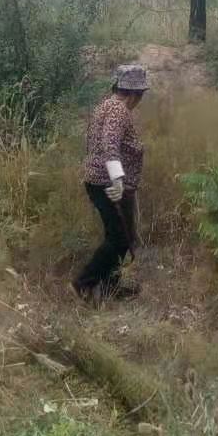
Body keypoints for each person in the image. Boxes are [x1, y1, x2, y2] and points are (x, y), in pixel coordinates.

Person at [74, 63, 148, 301]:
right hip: (109, 185)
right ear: (134, 94)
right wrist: (117, 179)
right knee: (119, 238)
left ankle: (109, 287)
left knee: (121, 238)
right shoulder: (118, 110)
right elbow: (109, 142)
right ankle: (83, 283)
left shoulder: (105, 105)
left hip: (100, 181)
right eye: (141, 95)